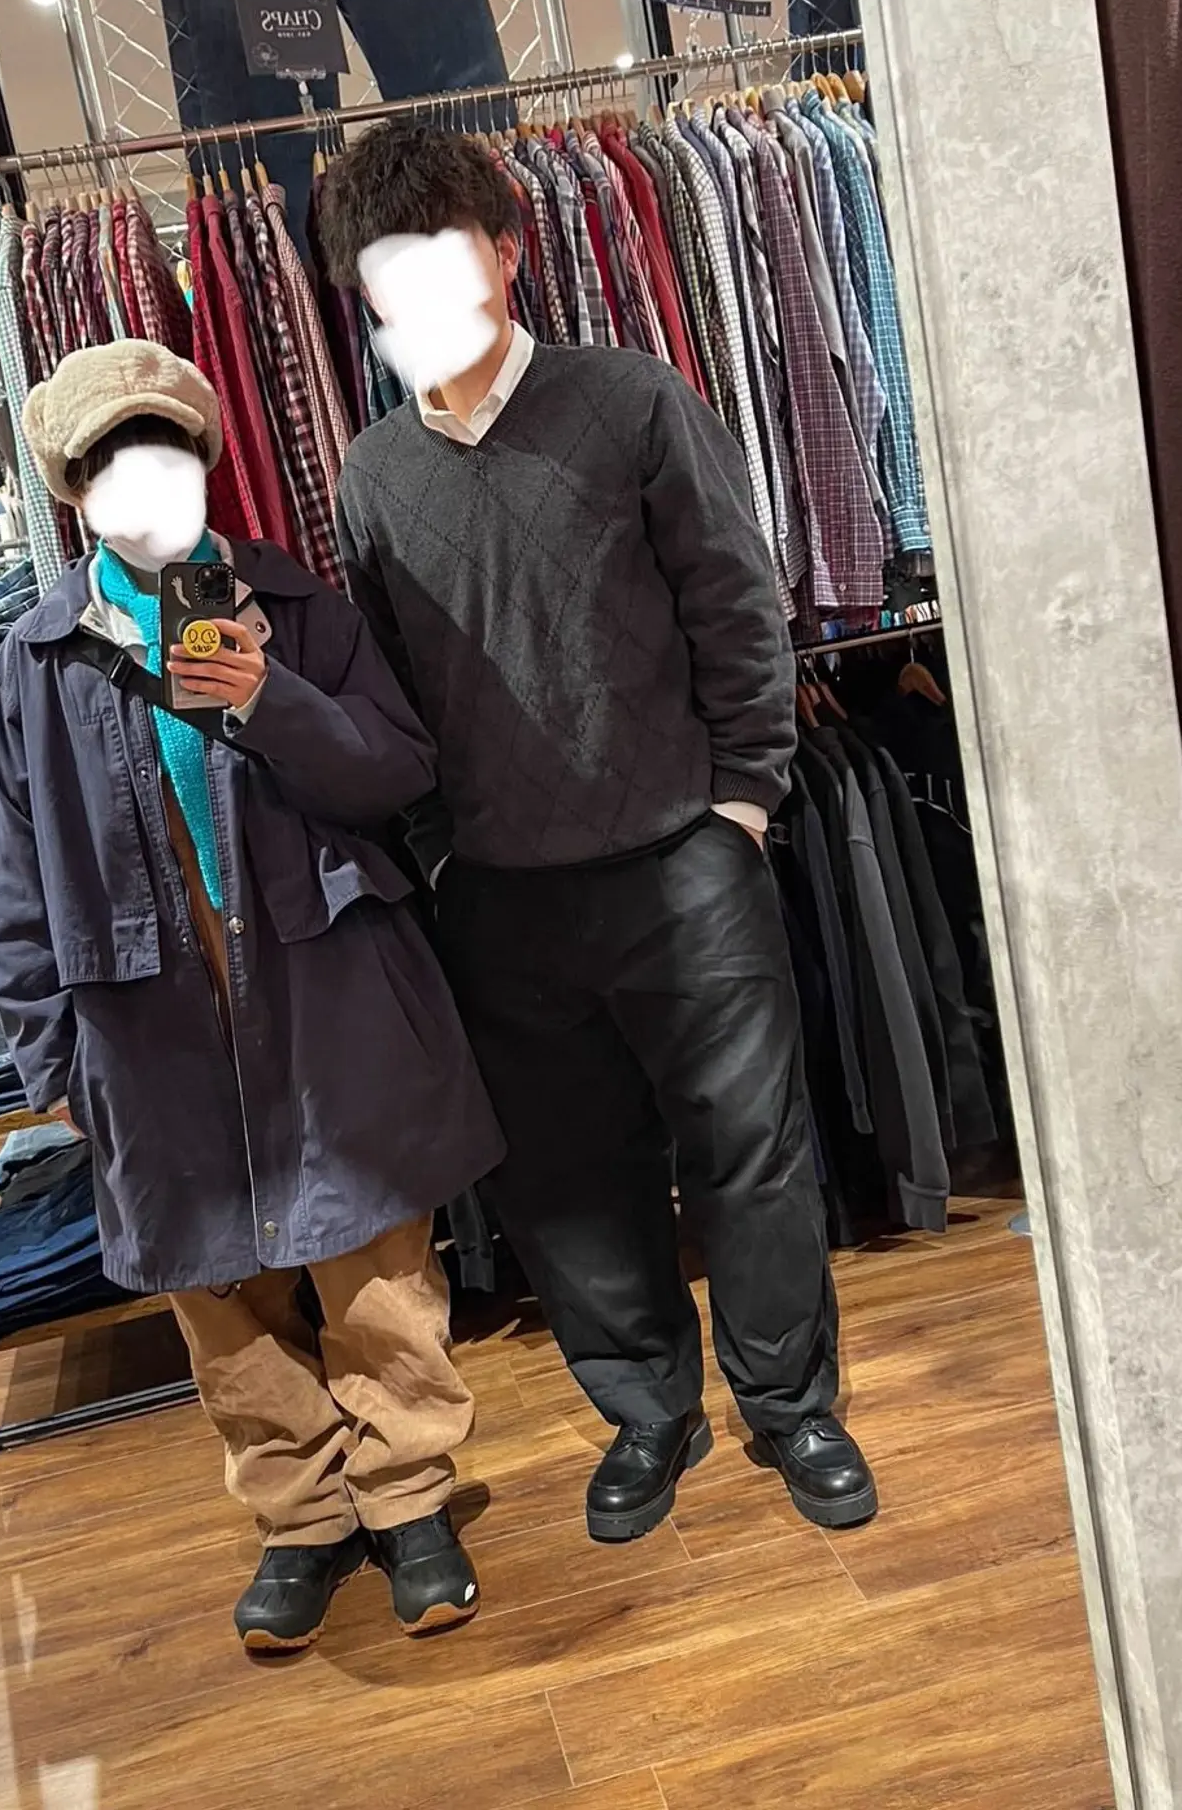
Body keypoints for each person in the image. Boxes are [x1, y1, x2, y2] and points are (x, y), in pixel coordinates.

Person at [320, 126, 878, 1543]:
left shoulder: (630, 400)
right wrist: (442, 850)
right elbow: (390, 685)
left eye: (448, 252)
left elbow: (736, 601)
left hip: (686, 857)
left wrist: (743, 801)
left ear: (509, 252)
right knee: (568, 1177)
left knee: (749, 1146)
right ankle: (646, 1412)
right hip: (501, 894)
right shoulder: (373, 473)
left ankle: (791, 1406)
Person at [0, 339, 504, 1650]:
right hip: (144, 1014)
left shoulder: (302, 608)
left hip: (322, 979)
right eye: (107, 462)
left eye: (164, 451)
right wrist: (48, 1054)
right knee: (214, 1275)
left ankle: (409, 1495)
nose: (141, 480)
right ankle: (301, 1514)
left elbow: (395, 773)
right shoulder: (37, 660)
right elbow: (13, 875)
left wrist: (273, 700)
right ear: (71, 491)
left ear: (207, 463)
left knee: (373, 1252)